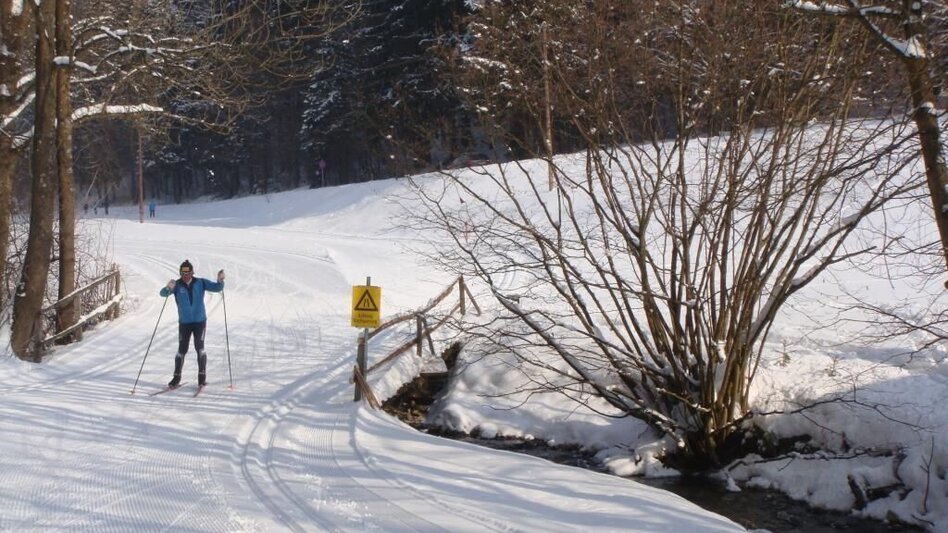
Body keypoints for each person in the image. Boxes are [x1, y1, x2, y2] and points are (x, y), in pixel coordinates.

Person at [159, 260, 225, 388]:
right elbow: (163, 294)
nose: (185, 276)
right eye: (183, 274)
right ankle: (176, 378)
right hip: (184, 323)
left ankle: (202, 378)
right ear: (180, 273)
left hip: (200, 321)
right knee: (181, 350)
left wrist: (220, 280)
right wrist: (168, 287)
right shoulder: (177, 285)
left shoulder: (200, 282)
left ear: (192, 273)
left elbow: (217, 288)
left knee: (199, 347)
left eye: (188, 273)